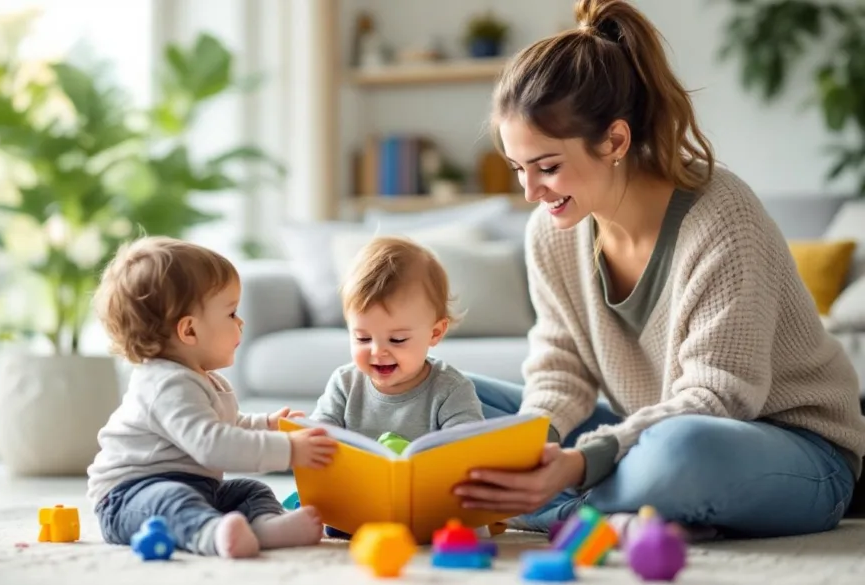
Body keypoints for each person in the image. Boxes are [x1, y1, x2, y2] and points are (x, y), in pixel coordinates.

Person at [454, 0, 865, 541]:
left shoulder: (722, 216)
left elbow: (719, 397)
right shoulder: (550, 232)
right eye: (518, 170)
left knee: (680, 453)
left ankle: (548, 508)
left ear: (616, 141)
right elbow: (560, 370)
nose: (531, 192)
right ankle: (621, 512)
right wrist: (535, 443)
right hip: (649, 433)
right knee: (448, 399)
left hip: (788, 449)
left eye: (548, 167)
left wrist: (577, 465)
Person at [86, 237, 337, 558]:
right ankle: (211, 534)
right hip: (129, 497)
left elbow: (229, 425)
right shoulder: (165, 385)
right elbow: (213, 445)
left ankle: (264, 526)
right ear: (189, 331)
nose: (241, 322)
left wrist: (268, 425)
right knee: (172, 499)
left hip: (198, 488)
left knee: (249, 490)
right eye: (231, 313)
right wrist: (288, 451)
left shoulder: (202, 378)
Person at [309, 236, 485, 441]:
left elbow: (468, 447)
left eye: (397, 340)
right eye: (363, 338)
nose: (377, 351)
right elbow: (317, 436)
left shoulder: (450, 389)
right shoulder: (344, 384)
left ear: (435, 333)